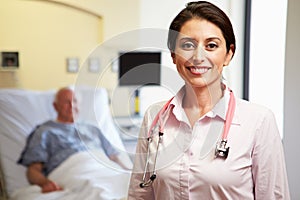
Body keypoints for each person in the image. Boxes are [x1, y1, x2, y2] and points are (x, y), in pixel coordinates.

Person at [128, 1, 290, 199]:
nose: (198, 56)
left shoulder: (258, 122)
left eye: (211, 45)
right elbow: (139, 194)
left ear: (228, 54)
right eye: (187, 45)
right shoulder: (155, 117)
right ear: (173, 55)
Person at [18, 87, 128, 193]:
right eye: (66, 102)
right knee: (97, 188)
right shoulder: (44, 132)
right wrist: (45, 183)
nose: (71, 105)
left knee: (128, 185)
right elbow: (33, 170)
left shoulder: (93, 128)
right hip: (73, 170)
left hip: (102, 167)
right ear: (55, 106)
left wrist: (128, 172)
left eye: (74, 101)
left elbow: (113, 158)